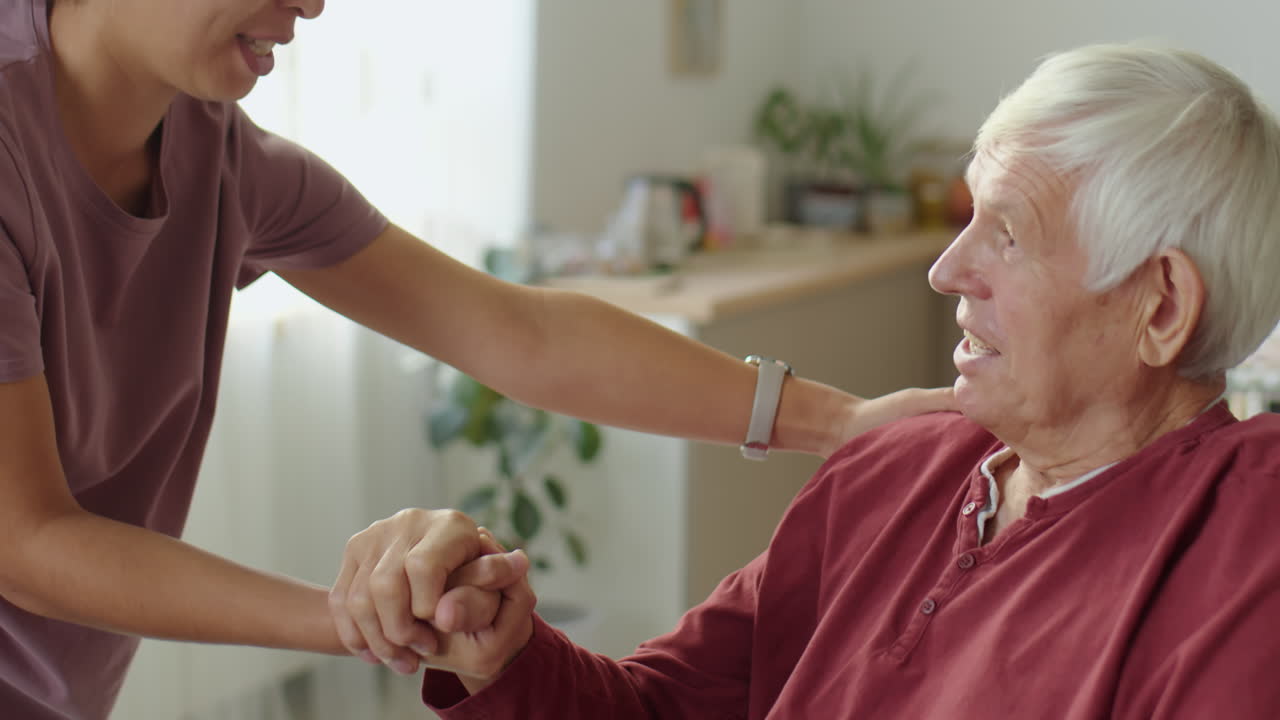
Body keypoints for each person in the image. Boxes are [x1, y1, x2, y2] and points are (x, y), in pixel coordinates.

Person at [0, 0, 954, 717]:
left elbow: (517, 333)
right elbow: (29, 542)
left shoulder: (219, 158)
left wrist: (844, 425)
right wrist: (368, 617)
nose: (314, 5)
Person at [345, 43, 1280, 719]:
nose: (946, 269)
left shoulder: (1241, 554)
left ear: (1160, 307)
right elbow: (654, 708)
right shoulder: (898, 469)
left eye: (1007, 234)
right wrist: (508, 657)